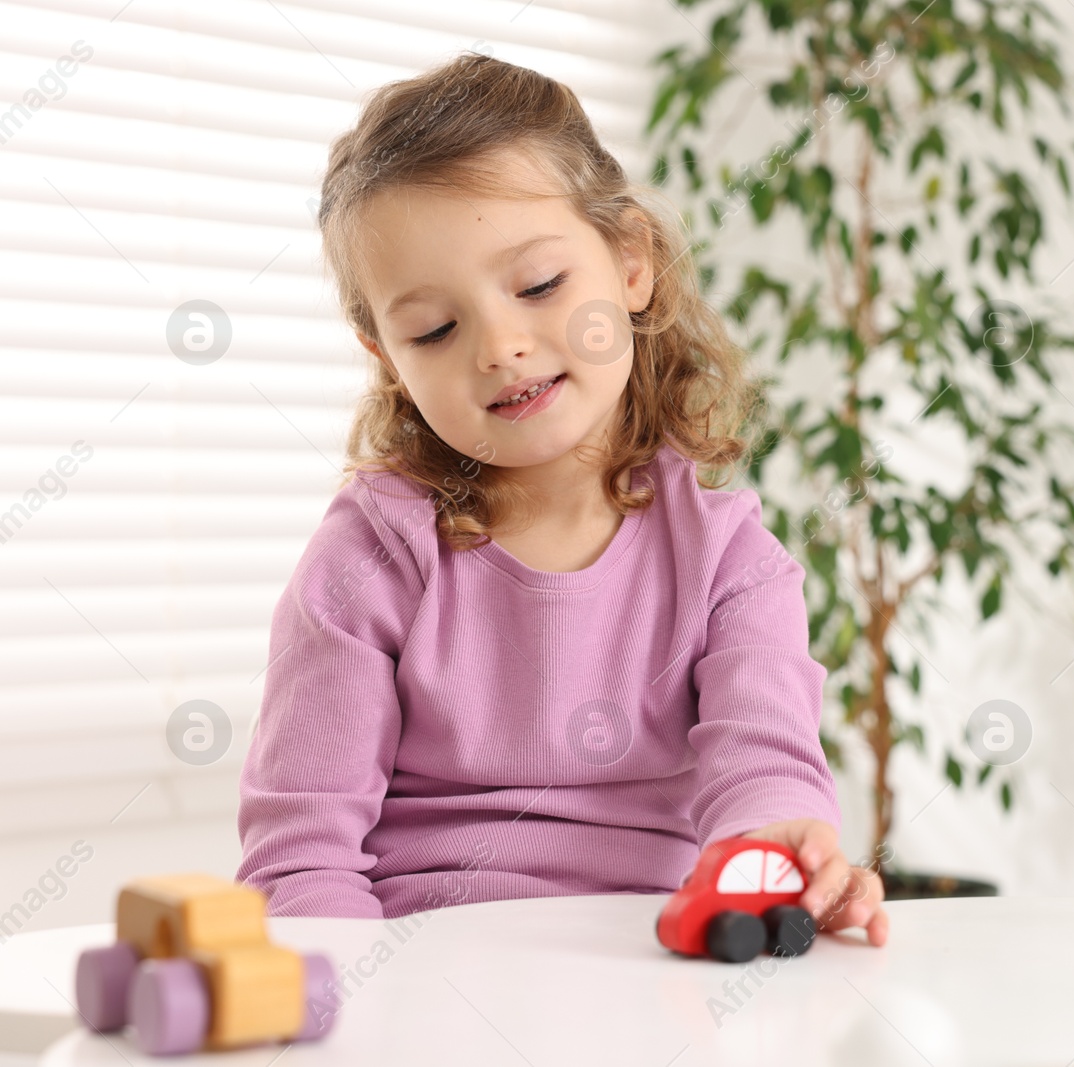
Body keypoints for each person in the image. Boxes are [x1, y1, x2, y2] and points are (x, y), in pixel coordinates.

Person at [235, 52, 888, 948]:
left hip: (655, 965)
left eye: (538, 285)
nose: (500, 345)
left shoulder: (729, 555)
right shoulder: (373, 554)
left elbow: (762, 763)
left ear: (630, 264)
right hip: (428, 967)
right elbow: (301, 859)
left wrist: (777, 848)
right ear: (387, 355)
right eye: (434, 328)